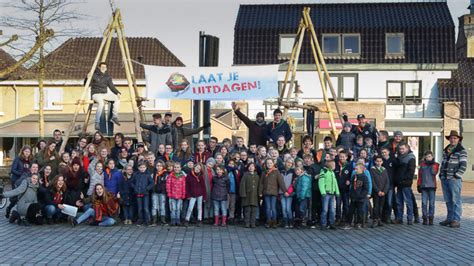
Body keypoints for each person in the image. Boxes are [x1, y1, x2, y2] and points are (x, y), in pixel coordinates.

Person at [439, 130, 467, 228]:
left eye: (455, 138)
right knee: (448, 200)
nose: (452, 139)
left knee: (456, 200)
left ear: (458, 139)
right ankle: (449, 218)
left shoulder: (461, 151)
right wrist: (441, 174)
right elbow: (443, 163)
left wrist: (456, 176)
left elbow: (463, 166)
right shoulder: (446, 150)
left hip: (454, 179)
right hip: (445, 178)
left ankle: (456, 220)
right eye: (451, 138)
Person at [90, 62, 121, 130]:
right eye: (102, 67)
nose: (103, 68)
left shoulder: (107, 77)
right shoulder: (94, 75)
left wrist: (117, 93)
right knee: (101, 103)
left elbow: (112, 87)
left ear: (106, 68)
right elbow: (86, 84)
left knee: (117, 98)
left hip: (104, 94)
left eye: (105, 67)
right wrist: (87, 78)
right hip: (96, 94)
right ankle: (97, 122)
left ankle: (114, 117)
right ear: (99, 67)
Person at [259, 158, 286, 228]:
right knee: (268, 208)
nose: (269, 164)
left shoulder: (276, 172)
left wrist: (285, 191)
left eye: (270, 163)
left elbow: (281, 182)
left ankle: (274, 222)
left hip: (274, 192)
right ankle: (268, 221)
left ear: (273, 164)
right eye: (268, 163)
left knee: (273, 208)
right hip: (266, 192)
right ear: (266, 164)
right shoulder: (264, 172)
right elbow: (261, 183)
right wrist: (260, 192)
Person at [394, 142, 416, 225]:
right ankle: (399, 218)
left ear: (407, 148)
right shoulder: (399, 157)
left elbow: (411, 172)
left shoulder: (411, 158)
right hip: (399, 183)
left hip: (406, 183)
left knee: (408, 201)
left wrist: (404, 179)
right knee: (399, 201)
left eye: (403, 149)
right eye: (400, 149)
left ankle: (410, 218)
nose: (401, 150)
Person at [417, 150, 439, 225]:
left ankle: (431, 218)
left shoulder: (435, 164)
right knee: (424, 203)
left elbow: (434, 173)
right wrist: (418, 184)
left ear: (432, 157)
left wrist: (432, 165)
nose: (428, 158)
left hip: (432, 186)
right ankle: (424, 218)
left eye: (429, 157)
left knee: (432, 203)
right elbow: (419, 176)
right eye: (426, 157)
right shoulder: (422, 165)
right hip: (424, 187)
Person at [346, 163, 369, 229]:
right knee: (351, 211)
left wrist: (361, 195)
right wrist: (352, 194)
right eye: (355, 168)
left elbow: (366, 188)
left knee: (360, 211)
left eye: (357, 169)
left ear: (361, 169)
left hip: (360, 198)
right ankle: (349, 223)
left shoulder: (364, 177)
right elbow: (352, 187)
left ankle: (359, 223)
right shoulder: (354, 176)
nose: (355, 170)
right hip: (353, 197)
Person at [318, 160, 339, 230]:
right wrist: (323, 192)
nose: (335, 166)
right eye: (333, 165)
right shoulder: (324, 171)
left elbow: (335, 182)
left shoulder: (332, 172)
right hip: (326, 194)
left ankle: (331, 223)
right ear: (329, 165)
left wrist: (337, 192)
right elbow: (321, 182)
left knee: (332, 210)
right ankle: (323, 224)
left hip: (332, 194)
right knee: (325, 209)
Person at [370, 155, 389, 228]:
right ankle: (375, 219)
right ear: (375, 162)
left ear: (382, 162)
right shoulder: (372, 169)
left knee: (381, 206)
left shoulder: (384, 169)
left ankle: (379, 219)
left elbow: (387, 181)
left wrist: (384, 191)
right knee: (376, 206)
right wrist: (378, 191)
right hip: (376, 192)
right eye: (377, 161)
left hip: (383, 192)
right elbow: (372, 181)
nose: (379, 162)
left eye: (380, 161)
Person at [131, 162, 153, 226]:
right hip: (138, 194)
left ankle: (148, 221)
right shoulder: (136, 174)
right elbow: (132, 183)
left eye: (143, 167)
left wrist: (147, 188)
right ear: (138, 168)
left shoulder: (148, 175)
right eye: (141, 167)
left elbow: (152, 183)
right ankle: (141, 220)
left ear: (146, 168)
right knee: (140, 208)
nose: (142, 169)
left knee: (146, 208)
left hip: (145, 194)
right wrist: (135, 187)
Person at [239, 162, 260, 228]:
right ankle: (247, 223)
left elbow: (259, 186)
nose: (251, 168)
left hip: (255, 196)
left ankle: (253, 223)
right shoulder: (245, 175)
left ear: (255, 168)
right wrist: (243, 194)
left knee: (254, 210)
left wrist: (259, 194)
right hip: (247, 196)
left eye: (252, 166)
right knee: (247, 210)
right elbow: (242, 185)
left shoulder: (257, 176)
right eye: (250, 166)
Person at [335, 150, 352, 225]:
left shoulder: (349, 166)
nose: (341, 158)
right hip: (338, 188)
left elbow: (351, 176)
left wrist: (349, 180)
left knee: (346, 204)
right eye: (340, 156)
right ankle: (338, 218)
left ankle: (344, 219)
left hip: (345, 189)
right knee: (338, 205)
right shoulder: (336, 165)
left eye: (343, 157)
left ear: (346, 157)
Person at [167, 162, 187, 226]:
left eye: (178, 167)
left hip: (180, 195)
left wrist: (184, 194)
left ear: (180, 168)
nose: (176, 169)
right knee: (173, 208)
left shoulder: (182, 176)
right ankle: (173, 220)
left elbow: (184, 186)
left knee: (178, 208)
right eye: (175, 167)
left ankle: (178, 220)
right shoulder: (170, 175)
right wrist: (169, 193)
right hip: (172, 195)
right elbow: (168, 185)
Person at [151, 160, 168, 226]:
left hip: (162, 192)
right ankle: (154, 220)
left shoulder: (165, 174)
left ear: (163, 166)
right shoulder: (153, 174)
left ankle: (162, 220)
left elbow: (166, 183)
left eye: (160, 166)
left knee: (162, 206)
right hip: (155, 192)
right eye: (157, 166)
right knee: (154, 206)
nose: (159, 167)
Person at [280, 158, 295, 228]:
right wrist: (284, 191)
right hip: (282, 192)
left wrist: (288, 192)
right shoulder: (281, 171)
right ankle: (285, 222)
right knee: (283, 208)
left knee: (288, 208)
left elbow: (293, 184)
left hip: (289, 193)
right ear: (285, 163)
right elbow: (280, 182)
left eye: (291, 163)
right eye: (288, 162)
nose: (289, 164)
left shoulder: (293, 172)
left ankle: (290, 222)